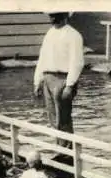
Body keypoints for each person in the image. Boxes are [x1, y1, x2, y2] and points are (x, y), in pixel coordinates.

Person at [33, 12, 84, 150]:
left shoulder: (73, 35)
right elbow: (42, 58)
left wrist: (69, 85)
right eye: (51, 16)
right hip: (47, 77)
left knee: (63, 119)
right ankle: (60, 149)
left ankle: (68, 152)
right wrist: (37, 81)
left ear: (65, 16)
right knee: (53, 118)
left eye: (57, 16)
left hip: (63, 79)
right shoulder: (50, 33)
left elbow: (77, 62)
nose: (54, 19)